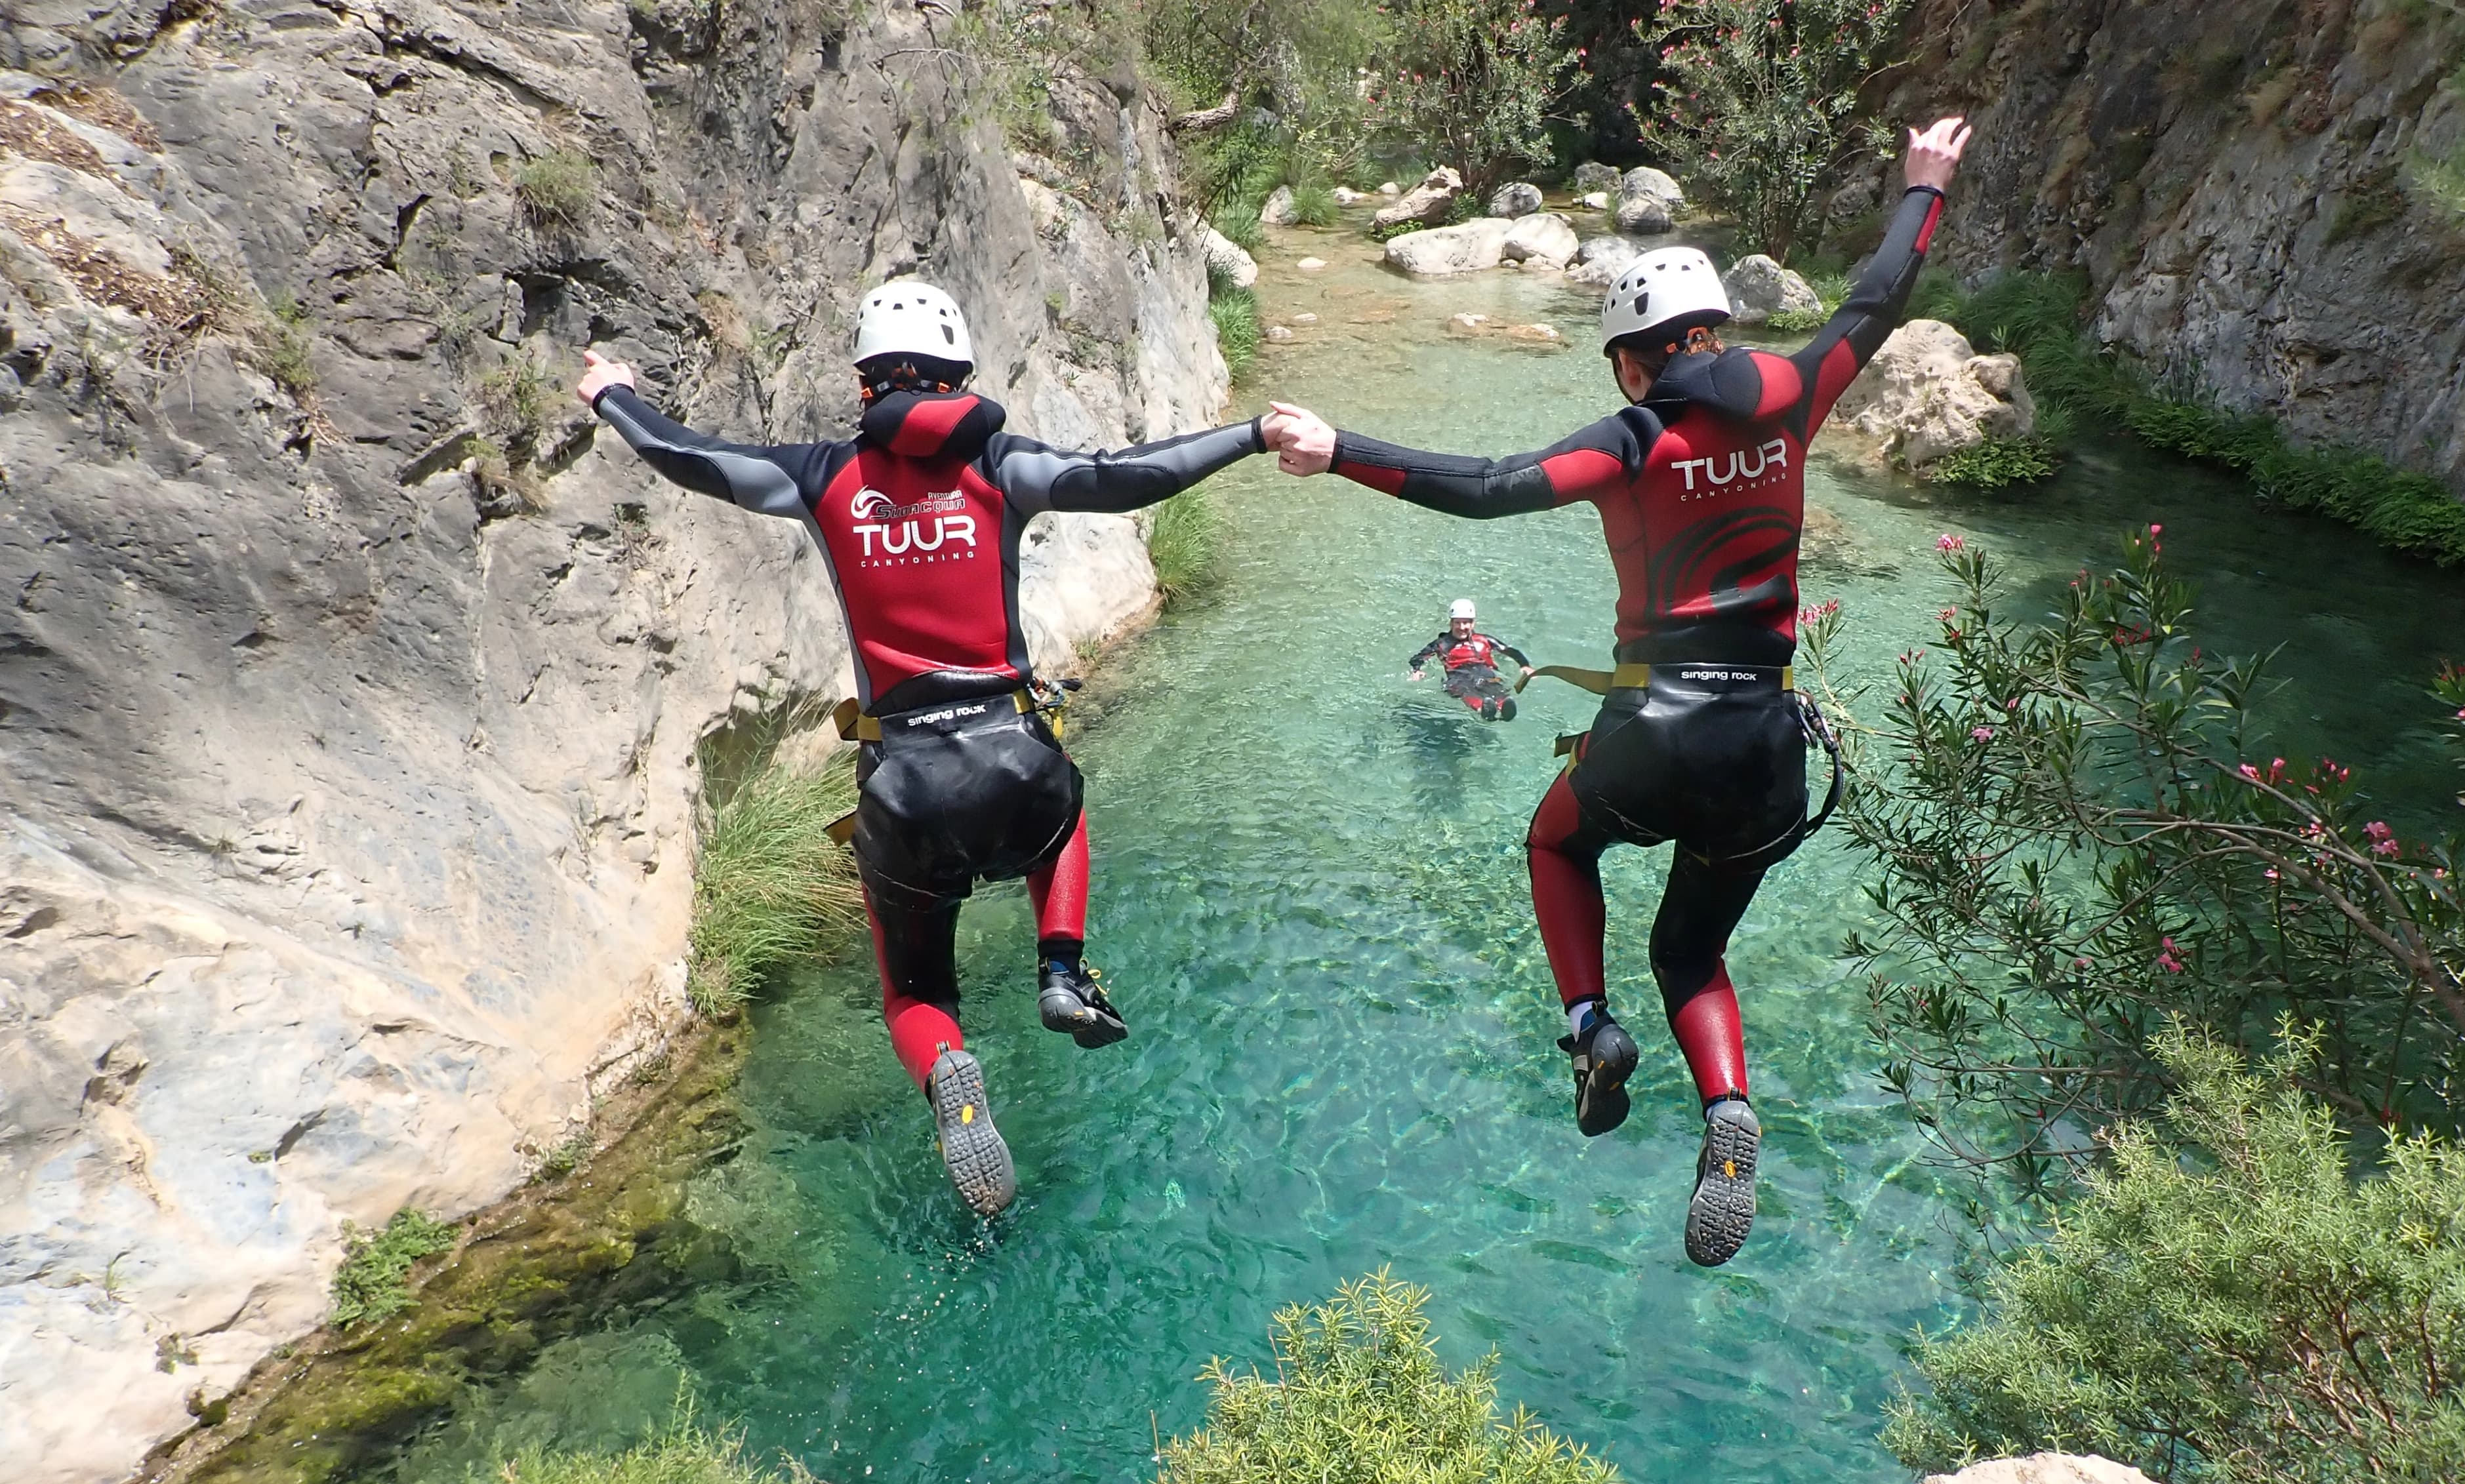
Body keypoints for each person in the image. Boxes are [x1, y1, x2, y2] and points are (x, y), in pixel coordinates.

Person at [1267, 117, 1976, 1268]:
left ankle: (1590, 1027)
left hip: (1655, 726)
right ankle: (1729, 1112)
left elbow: (1491, 488)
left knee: (1557, 845)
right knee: (1693, 955)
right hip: (1766, 745)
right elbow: (1875, 301)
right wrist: (1924, 186)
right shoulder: (1795, 393)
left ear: (1637, 358)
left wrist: (1337, 445)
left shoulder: (1635, 438)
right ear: (1720, 328)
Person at [579, 279, 1303, 1216]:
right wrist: (1249, 434)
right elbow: (1131, 475)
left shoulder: (820, 476)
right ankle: (1061, 968)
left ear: (861, 381)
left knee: (914, 990)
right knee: (1063, 811)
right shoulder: (1003, 468)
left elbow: (690, 456)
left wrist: (615, 393)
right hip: (1013, 755)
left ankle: (953, 1073)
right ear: (964, 374)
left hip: (904, 784)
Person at [1408, 599, 1534, 721]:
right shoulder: (1441, 644)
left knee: (1494, 685)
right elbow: (1418, 658)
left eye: (1466, 623)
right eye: (1458, 623)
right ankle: (1482, 709)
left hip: (1484, 672)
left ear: (1473, 624)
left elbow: (1510, 651)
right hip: (1458, 676)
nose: (1462, 627)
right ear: (1451, 623)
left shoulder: (1484, 640)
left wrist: (1524, 665)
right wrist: (1417, 670)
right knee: (1464, 689)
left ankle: (1504, 706)